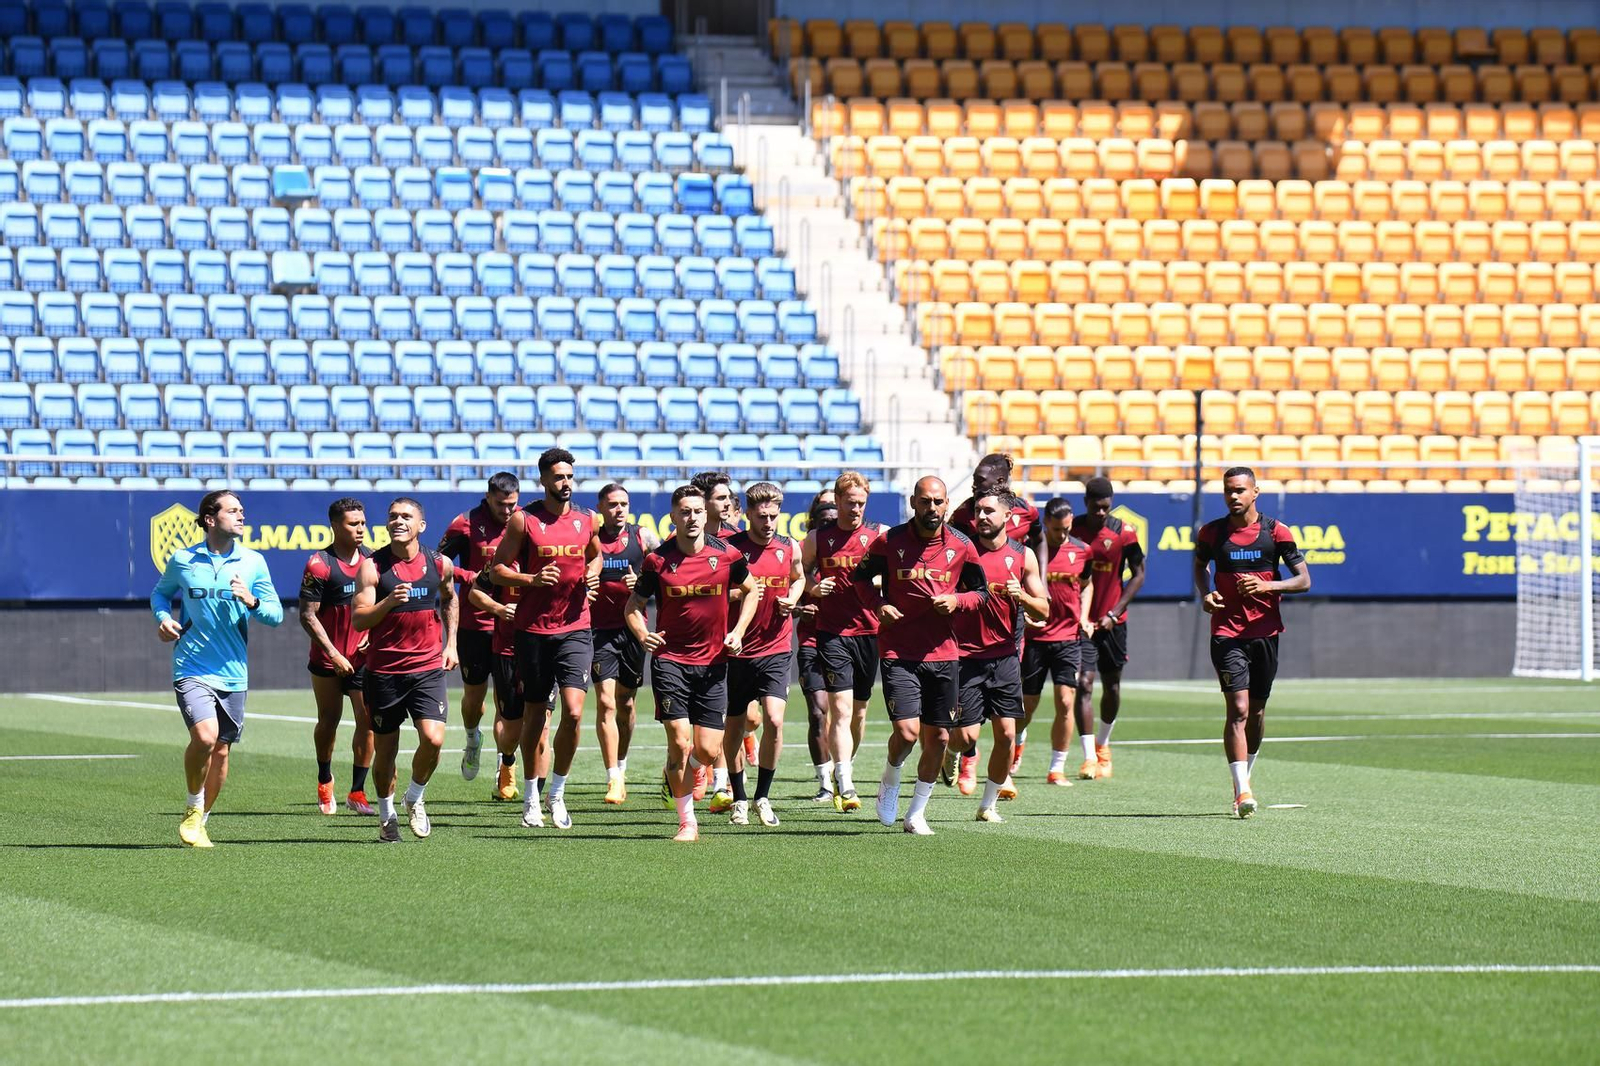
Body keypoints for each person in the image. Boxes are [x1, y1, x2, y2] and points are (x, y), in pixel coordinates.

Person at [850, 476, 988, 835]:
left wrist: (957, 600)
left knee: (941, 739)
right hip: (898, 650)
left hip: (944, 653)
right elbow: (860, 580)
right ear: (913, 502)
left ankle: (916, 814)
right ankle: (890, 778)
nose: (932, 509)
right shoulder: (889, 541)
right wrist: (879, 605)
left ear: (946, 504)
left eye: (939, 502)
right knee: (908, 734)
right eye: (925, 501)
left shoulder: (963, 546)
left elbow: (982, 593)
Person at [623, 485, 762, 842]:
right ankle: (688, 822)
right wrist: (643, 635)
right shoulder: (658, 561)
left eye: (697, 511)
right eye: (684, 512)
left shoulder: (727, 555)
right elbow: (632, 608)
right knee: (681, 744)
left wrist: (739, 631)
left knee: (708, 750)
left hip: (714, 663)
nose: (692, 518)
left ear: (707, 514)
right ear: (674, 517)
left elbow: (753, 591)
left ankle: (689, 773)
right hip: (670, 662)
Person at [151, 490, 283, 848]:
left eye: (243, 510)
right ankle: (194, 807)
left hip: (234, 673)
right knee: (206, 737)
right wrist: (164, 619)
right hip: (191, 665)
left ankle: (200, 821)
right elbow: (160, 594)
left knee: (222, 751)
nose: (241, 516)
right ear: (210, 519)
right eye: (233, 511)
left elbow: (275, 615)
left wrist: (251, 600)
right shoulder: (183, 559)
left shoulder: (253, 562)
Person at [488, 447, 602, 831]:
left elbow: (596, 556)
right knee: (534, 716)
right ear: (543, 480)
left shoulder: (588, 519)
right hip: (533, 631)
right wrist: (530, 580)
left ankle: (557, 793)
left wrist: (593, 573)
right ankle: (531, 796)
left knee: (572, 711)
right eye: (558, 476)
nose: (565, 482)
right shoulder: (523, 520)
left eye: (569, 476)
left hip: (576, 627)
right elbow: (497, 570)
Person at [1193, 467, 1311, 818]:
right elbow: (1200, 566)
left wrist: (1269, 586)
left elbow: (1304, 580)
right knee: (1239, 710)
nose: (1233, 496)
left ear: (1255, 492)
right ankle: (1242, 790)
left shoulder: (1276, 532)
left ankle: (1246, 775)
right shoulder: (1212, 533)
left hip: (1266, 633)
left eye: (1240, 490)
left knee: (1257, 713)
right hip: (1227, 633)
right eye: (1228, 490)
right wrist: (1206, 592)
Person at [353, 497, 458, 843]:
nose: (398, 521)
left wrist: (452, 643)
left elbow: (450, 599)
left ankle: (414, 796)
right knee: (386, 752)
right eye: (393, 516)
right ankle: (386, 815)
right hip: (385, 672)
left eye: (406, 516)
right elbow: (359, 617)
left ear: (421, 526)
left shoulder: (439, 563)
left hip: (427, 668)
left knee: (434, 738)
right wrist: (388, 602)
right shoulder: (372, 567)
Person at [947, 452, 1042, 793]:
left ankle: (1001, 772)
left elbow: (1038, 544)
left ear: (1001, 484)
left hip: (1009, 614)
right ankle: (966, 754)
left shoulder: (1027, 512)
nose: (975, 488)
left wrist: (1031, 588)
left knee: (1003, 706)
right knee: (966, 724)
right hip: (971, 612)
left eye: (981, 482)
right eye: (973, 483)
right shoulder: (962, 514)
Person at [955, 494, 1050, 822]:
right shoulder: (963, 552)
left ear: (1008, 516)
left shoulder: (1024, 556)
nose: (980, 515)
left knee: (1007, 734)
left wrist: (1020, 595)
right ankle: (953, 755)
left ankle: (988, 805)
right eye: (978, 510)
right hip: (965, 656)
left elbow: (1045, 608)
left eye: (988, 511)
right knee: (965, 737)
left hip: (1005, 656)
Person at [803, 470, 885, 813]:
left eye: (861, 504)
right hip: (833, 632)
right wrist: (812, 587)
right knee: (840, 709)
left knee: (859, 715)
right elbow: (801, 573)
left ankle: (843, 766)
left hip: (870, 633)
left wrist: (883, 582)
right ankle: (846, 781)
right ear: (836, 502)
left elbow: (897, 572)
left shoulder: (879, 536)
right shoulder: (817, 538)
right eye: (850, 503)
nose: (856, 510)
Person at [724, 482, 805, 827]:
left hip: (776, 646)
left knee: (773, 719)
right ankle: (739, 797)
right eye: (762, 516)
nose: (769, 522)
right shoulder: (729, 549)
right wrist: (737, 594)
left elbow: (799, 578)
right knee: (736, 723)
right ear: (748, 514)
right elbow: (715, 593)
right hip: (737, 649)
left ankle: (763, 796)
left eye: (774, 515)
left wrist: (794, 597)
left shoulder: (789, 547)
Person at [436, 472, 521, 791]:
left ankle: (505, 769)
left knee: (507, 701)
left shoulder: (523, 523)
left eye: (512, 503)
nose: (508, 510)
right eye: (501, 504)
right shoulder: (465, 524)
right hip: (475, 626)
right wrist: (468, 575)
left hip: (512, 628)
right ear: (488, 498)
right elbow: (437, 563)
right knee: (474, 698)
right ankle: (472, 738)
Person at [299, 497, 374, 816]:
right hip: (327, 660)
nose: (360, 529)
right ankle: (324, 780)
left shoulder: (372, 561)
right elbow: (307, 615)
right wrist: (333, 654)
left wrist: (372, 633)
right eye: (352, 523)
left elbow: (379, 606)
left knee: (368, 722)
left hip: (362, 660)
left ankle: (357, 792)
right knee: (328, 721)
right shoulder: (320, 564)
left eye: (362, 522)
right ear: (335, 526)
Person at [1072, 476, 1146, 781]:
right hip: (1083, 622)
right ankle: (1089, 757)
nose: (1100, 512)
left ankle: (1104, 745)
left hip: (1113, 622)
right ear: (1085, 502)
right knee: (1084, 683)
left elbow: (1139, 574)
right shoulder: (1072, 529)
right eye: (1095, 506)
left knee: (1112, 685)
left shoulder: (1124, 532)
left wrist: (1115, 613)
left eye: (1105, 507)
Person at [590, 483, 659, 805]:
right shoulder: (590, 540)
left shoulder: (643, 538)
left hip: (633, 630)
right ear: (601, 507)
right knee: (605, 701)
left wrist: (642, 585)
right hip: (598, 631)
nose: (619, 509)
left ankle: (622, 764)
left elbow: (668, 578)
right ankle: (612, 778)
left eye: (624, 504)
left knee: (626, 703)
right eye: (613, 504)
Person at [1020, 498, 1096, 786]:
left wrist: (1084, 615)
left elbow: (1087, 585)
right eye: (1055, 530)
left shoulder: (1082, 551)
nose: (1061, 535)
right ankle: (1017, 743)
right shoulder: (1028, 553)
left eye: (1065, 529)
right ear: (1046, 526)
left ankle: (1057, 768)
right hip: (1036, 639)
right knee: (1028, 705)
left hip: (1068, 639)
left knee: (1066, 701)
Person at [691, 469, 743, 810]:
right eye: (721, 498)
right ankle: (696, 772)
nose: (727, 504)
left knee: (739, 717)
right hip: (693, 643)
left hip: (732, 639)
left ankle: (719, 781)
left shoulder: (736, 540)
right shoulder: (683, 539)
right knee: (690, 723)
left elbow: (747, 585)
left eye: (728, 498)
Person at [465, 556, 524, 803]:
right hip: (501, 646)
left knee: (543, 724)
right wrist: (499, 609)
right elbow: (474, 593)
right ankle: (490, 750)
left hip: (545, 647)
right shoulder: (499, 561)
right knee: (482, 705)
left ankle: (540, 796)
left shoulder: (554, 549)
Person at [796, 491, 837, 802]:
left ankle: (842, 771)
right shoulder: (802, 552)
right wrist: (800, 609)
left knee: (845, 714)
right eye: (825, 520)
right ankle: (825, 781)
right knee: (817, 712)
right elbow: (785, 595)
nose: (831, 525)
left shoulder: (855, 551)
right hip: (811, 639)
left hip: (845, 640)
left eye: (835, 519)